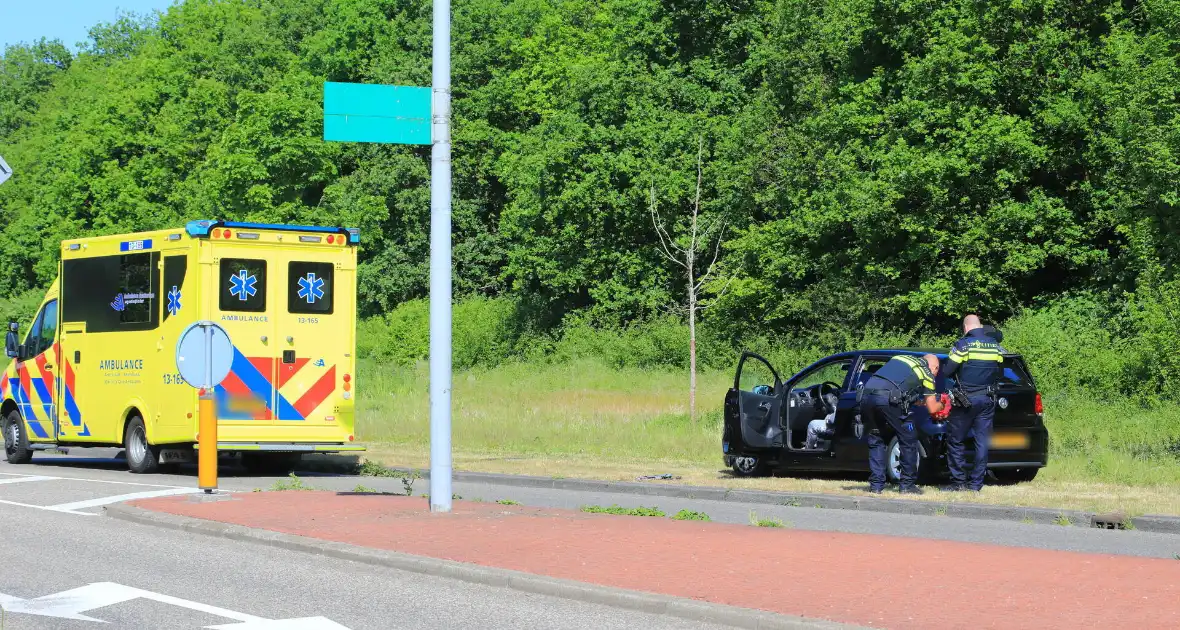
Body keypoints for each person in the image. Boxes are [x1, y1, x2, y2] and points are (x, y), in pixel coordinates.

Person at [858, 354, 949, 494]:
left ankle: (876, 486)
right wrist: (942, 404)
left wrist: (916, 401)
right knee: (908, 439)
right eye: (937, 371)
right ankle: (907, 485)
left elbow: (897, 386)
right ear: (934, 367)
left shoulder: (901, 358)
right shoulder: (927, 373)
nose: (936, 375)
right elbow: (932, 408)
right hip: (888, 398)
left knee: (876, 439)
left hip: (867, 396)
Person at [939, 314, 1006, 492]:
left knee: (956, 440)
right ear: (980, 326)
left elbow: (947, 371)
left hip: (965, 400)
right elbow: (1000, 373)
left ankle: (958, 482)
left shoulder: (963, 345)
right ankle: (976, 484)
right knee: (982, 441)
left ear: (965, 328)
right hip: (987, 399)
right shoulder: (995, 346)